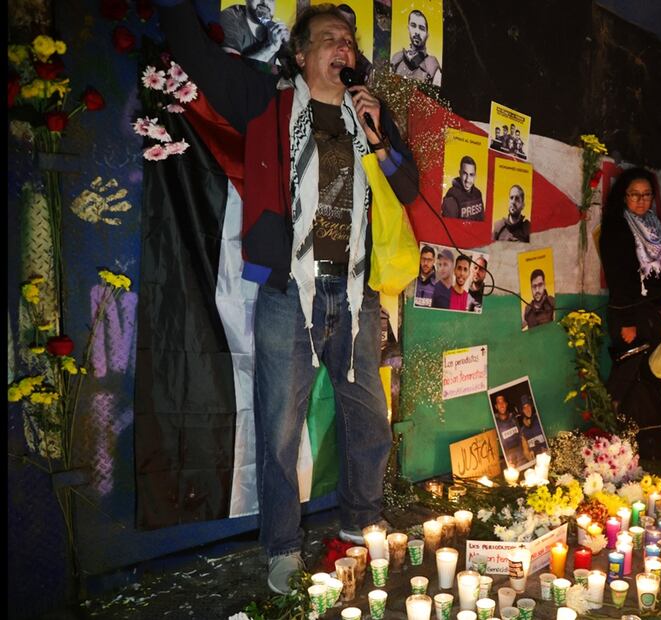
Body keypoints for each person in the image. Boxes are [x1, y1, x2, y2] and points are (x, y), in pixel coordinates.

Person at [155, 1, 418, 594]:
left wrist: (377, 133)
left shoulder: (368, 115)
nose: (343, 47)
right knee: (278, 429)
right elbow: (196, 58)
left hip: (356, 293)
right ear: (301, 55)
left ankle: (360, 522)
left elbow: (407, 185)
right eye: (329, 38)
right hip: (287, 294)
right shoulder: (267, 105)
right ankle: (279, 546)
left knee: (371, 420)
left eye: (348, 41)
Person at [598, 167, 661, 458]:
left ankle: (641, 443)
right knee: (626, 372)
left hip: (651, 310)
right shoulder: (618, 227)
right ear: (624, 196)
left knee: (643, 375)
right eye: (635, 195)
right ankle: (605, 428)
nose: (641, 201)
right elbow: (620, 277)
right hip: (628, 312)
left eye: (647, 195)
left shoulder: (654, 225)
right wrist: (628, 321)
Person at [219, 0, 289, 65]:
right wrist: (271, 47)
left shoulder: (275, 30)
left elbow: (290, 69)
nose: (265, 2)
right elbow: (232, 67)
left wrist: (289, 46)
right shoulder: (231, 16)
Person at [390, 9, 442, 86]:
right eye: (413, 26)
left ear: (427, 34)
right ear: (408, 28)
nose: (417, 32)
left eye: (421, 28)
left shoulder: (431, 64)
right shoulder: (397, 58)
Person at [335, 3, 373, 81]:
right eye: (337, 25)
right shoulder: (319, 55)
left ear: (354, 30)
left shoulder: (366, 69)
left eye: (347, 27)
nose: (342, 31)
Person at [441, 155, 485, 221]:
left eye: (471, 175)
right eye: (465, 174)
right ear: (460, 173)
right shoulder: (451, 199)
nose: (467, 180)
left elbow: (482, 220)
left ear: (475, 176)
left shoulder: (478, 193)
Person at [492, 393, 527, 468]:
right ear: (496, 406)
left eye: (503, 402)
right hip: (508, 460)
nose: (501, 405)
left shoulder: (514, 417)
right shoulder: (495, 422)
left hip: (522, 456)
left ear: (506, 404)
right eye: (499, 403)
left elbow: (523, 435)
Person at [517, 395, 548, 460]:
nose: (527, 409)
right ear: (522, 411)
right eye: (524, 408)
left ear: (531, 406)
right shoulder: (523, 430)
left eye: (528, 406)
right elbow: (525, 452)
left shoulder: (540, 420)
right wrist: (530, 457)